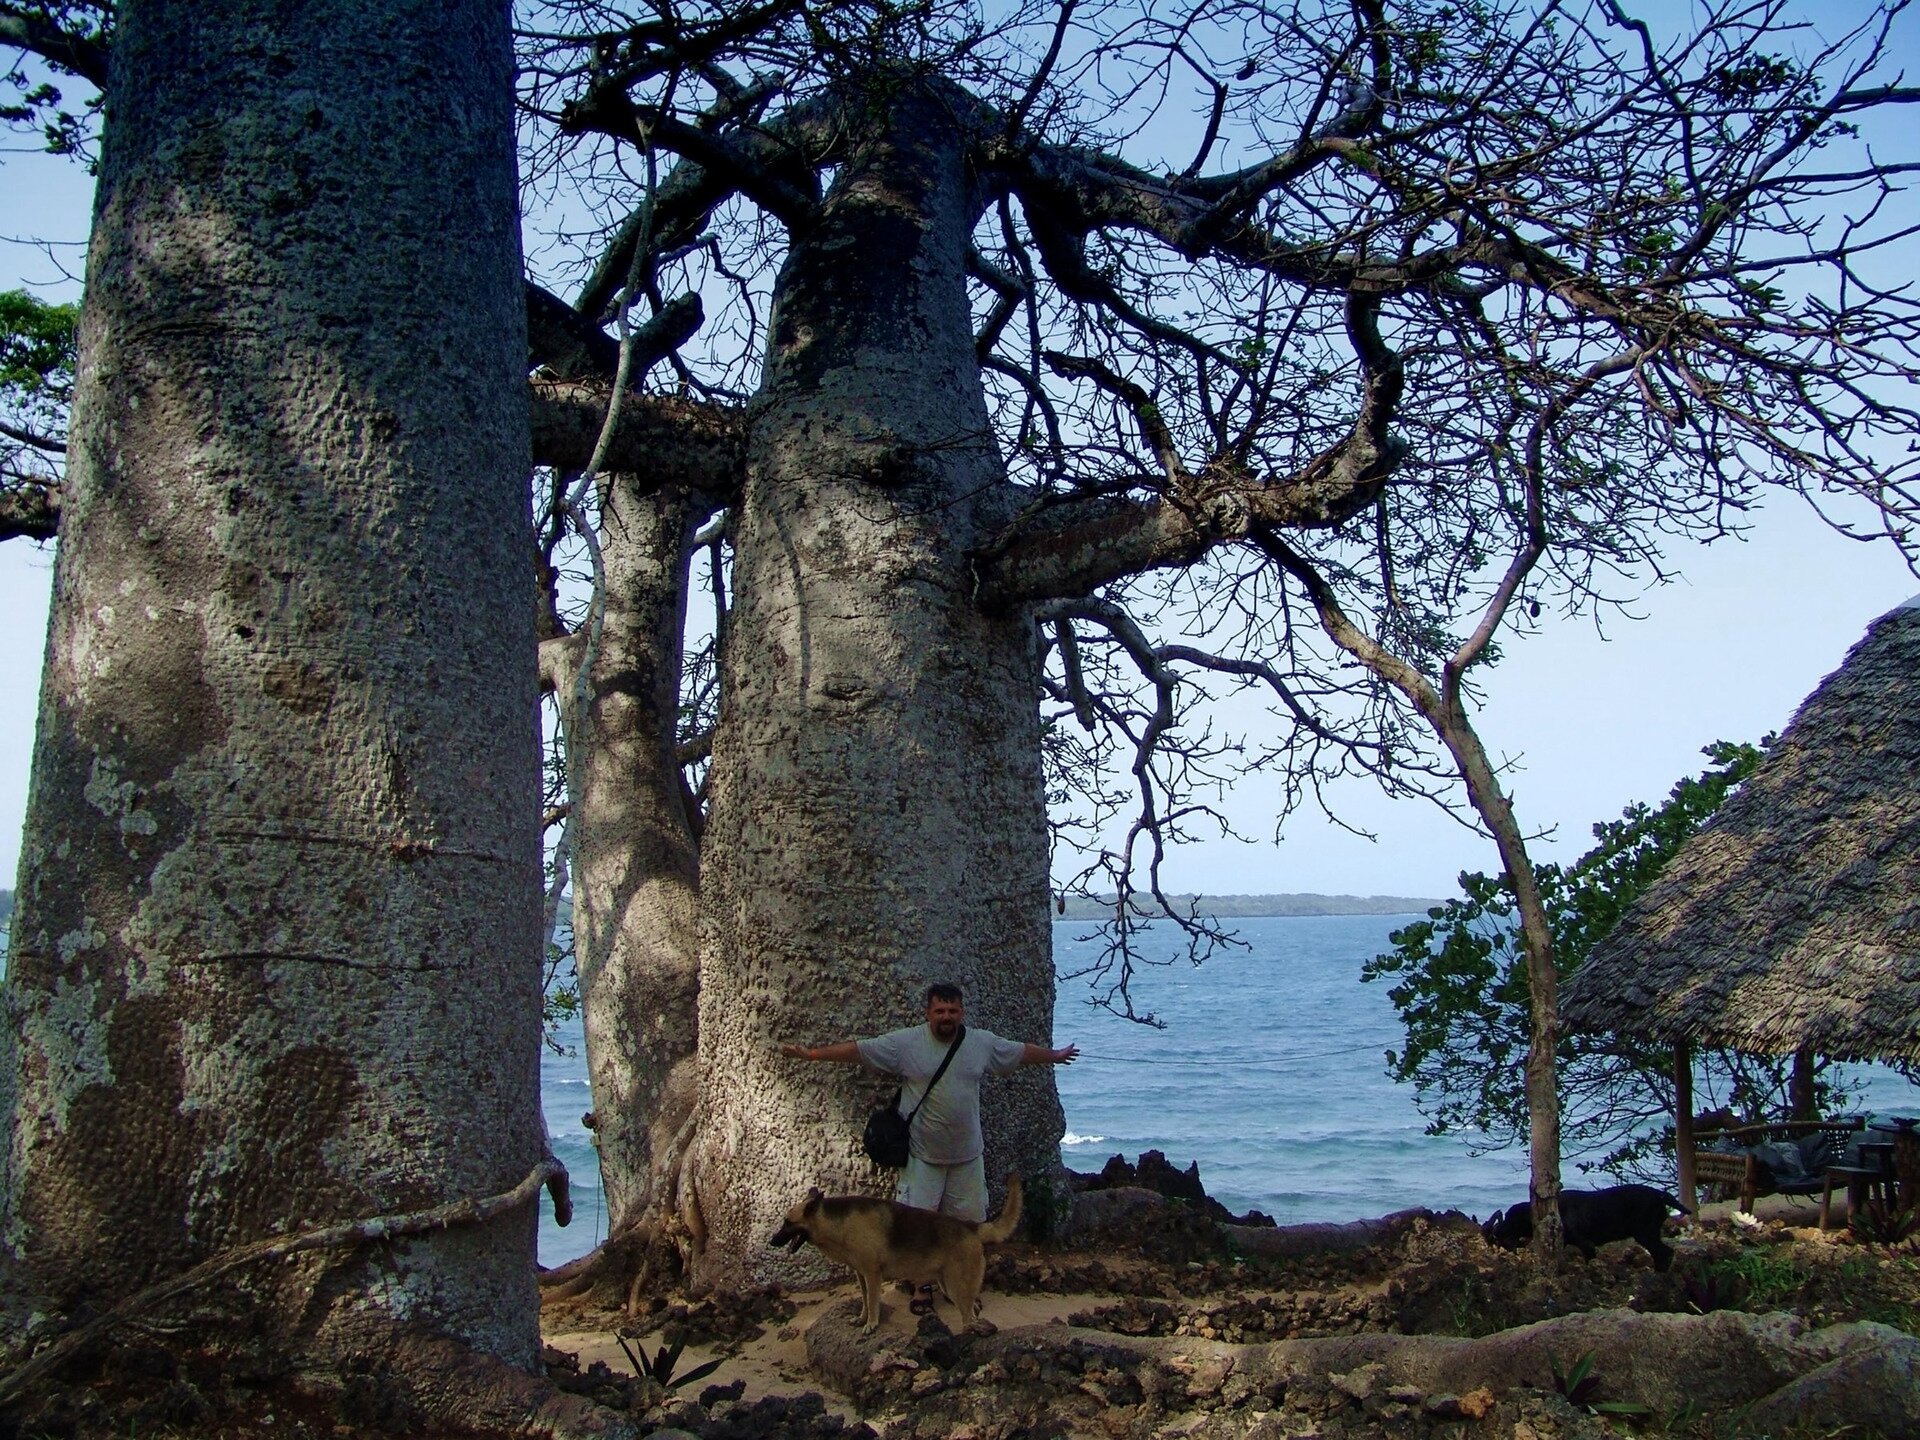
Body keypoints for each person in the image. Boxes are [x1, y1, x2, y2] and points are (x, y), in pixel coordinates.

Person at [781, 982, 1077, 1227]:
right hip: (923, 1159)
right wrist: (813, 1055)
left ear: (962, 1012)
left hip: (967, 1157)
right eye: (939, 1011)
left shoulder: (981, 1043)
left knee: (969, 1228)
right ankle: (921, 1289)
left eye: (952, 1011)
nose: (946, 1016)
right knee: (916, 1229)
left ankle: (961, 1289)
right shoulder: (907, 1043)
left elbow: (1020, 1052)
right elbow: (861, 1050)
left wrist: (1055, 1056)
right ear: (928, 1013)